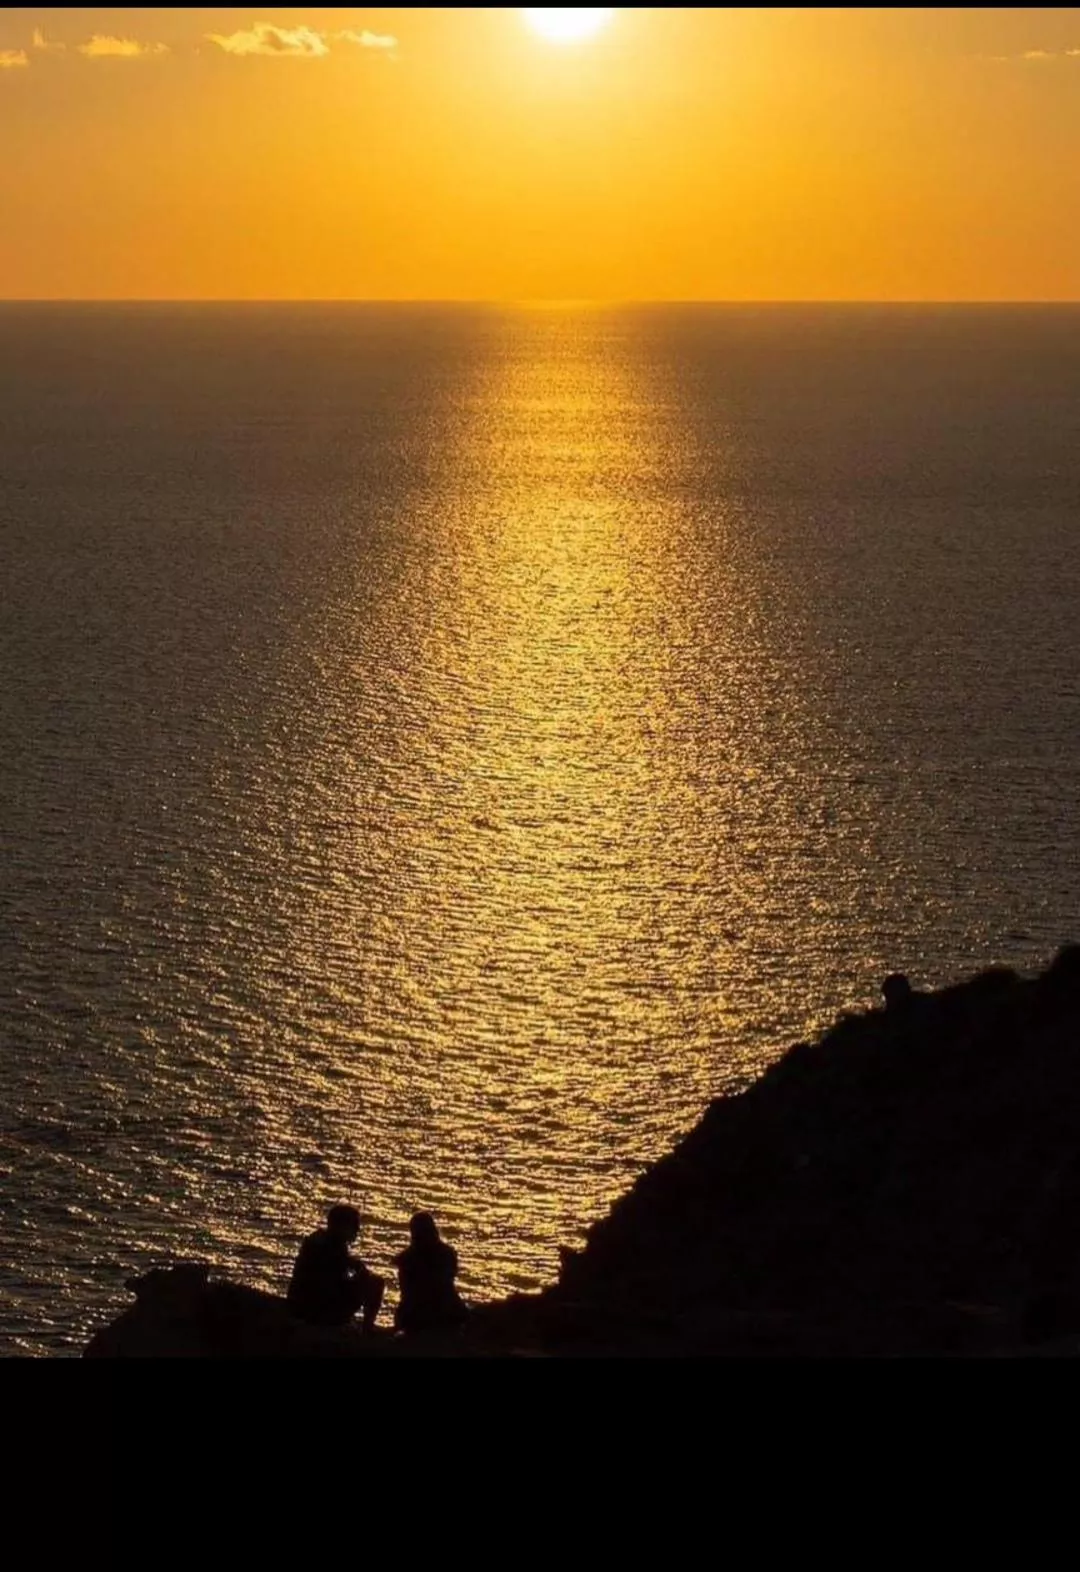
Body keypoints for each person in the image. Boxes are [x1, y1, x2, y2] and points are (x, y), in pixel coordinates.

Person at [287, 1204, 384, 1334]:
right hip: (318, 1308)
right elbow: (337, 1277)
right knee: (376, 1283)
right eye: (354, 1225)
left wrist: (354, 1271)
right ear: (342, 1226)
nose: (358, 1230)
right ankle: (367, 1329)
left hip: (303, 1304)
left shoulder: (318, 1241)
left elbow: (341, 1273)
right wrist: (358, 1272)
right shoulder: (330, 1248)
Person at [394, 1213, 469, 1337]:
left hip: (413, 1313)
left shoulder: (405, 1258)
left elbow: (406, 1291)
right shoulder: (448, 1254)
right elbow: (448, 1284)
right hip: (443, 1309)